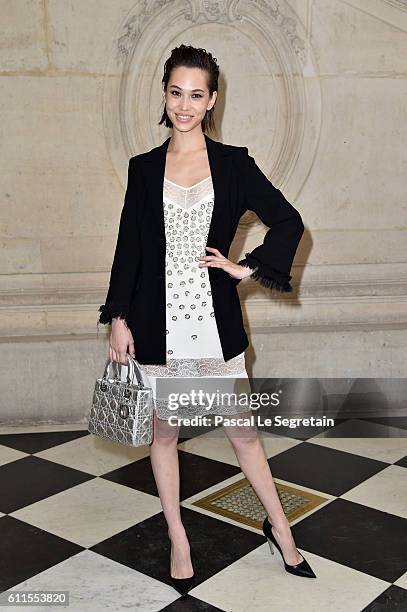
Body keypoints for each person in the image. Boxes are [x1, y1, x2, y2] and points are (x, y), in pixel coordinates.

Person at [98, 44, 316, 595]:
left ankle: (282, 529)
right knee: (165, 436)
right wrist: (118, 317)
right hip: (156, 325)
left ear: (212, 99)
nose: (185, 105)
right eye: (176, 93)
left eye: (197, 95)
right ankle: (178, 536)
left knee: (243, 436)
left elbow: (288, 221)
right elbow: (130, 251)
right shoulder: (144, 169)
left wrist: (247, 268)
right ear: (165, 95)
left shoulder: (234, 164)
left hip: (212, 325)